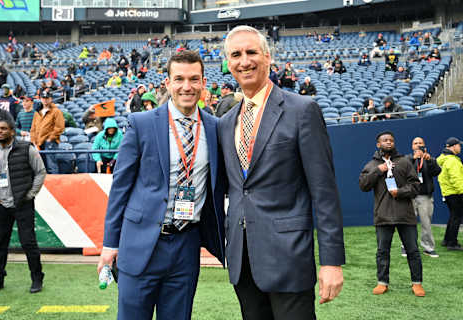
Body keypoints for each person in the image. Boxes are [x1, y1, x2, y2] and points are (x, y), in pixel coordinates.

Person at [219, 25, 345, 320]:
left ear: (267, 56)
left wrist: (331, 262)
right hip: (243, 260)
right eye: (236, 54)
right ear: (228, 63)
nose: (244, 61)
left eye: (251, 52)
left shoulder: (303, 109)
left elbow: (324, 191)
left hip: (289, 257)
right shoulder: (225, 123)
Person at [97, 50, 226, 320]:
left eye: (194, 79)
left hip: (186, 246)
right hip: (140, 244)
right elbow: (120, 188)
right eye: (179, 79)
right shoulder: (141, 123)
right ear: (167, 83)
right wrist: (110, 243)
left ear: (203, 82)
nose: (186, 87)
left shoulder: (216, 128)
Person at [0, 118, 46, 294]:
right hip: (0, 204)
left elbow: (40, 172)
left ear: (12, 131)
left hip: (22, 204)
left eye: (3, 128)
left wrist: (30, 194)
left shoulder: (27, 149)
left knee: (28, 242)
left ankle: (36, 278)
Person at [359, 131, 425, 297]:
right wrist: (378, 171)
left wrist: (400, 192)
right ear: (378, 144)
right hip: (383, 215)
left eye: (391, 140)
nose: (389, 142)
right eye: (385, 140)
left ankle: (417, 283)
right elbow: (363, 185)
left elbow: (416, 186)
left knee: (413, 251)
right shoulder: (372, 165)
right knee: (382, 251)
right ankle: (382, 283)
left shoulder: (404, 162)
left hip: (405, 215)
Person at [401, 137, 441, 258]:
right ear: (412, 146)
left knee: (426, 223)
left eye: (420, 143)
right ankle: (406, 246)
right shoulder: (407, 159)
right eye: (415, 143)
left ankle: (428, 248)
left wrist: (429, 161)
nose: (418, 145)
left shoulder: (429, 159)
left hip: (425, 197)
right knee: (408, 223)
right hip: (410, 196)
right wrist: (413, 159)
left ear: (424, 146)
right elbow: (402, 172)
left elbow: (437, 172)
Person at [437, 137, 463, 251]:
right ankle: (452, 243)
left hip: (448, 192)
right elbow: (456, 179)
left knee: (453, 216)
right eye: (459, 145)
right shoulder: (452, 160)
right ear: (453, 146)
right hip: (455, 193)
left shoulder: (444, 159)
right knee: (456, 217)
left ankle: (447, 240)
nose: (460, 147)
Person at [29, 91, 65, 174]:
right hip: (38, 142)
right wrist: (33, 140)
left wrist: (50, 138)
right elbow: (33, 128)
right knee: (40, 166)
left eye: (47, 98)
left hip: (50, 142)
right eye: (43, 98)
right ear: (41, 99)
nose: (45, 100)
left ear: (51, 99)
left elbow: (59, 127)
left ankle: (54, 184)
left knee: (51, 165)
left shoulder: (56, 111)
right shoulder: (37, 112)